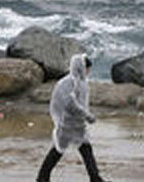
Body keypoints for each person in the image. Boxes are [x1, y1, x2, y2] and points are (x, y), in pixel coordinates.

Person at [36, 54, 108, 182]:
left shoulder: (81, 83)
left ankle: (94, 178)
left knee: (79, 150)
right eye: (87, 69)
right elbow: (71, 103)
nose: (88, 72)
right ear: (80, 67)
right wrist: (87, 116)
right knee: (60, 151)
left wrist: (85, 116)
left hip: (76, 124)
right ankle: (43, 177)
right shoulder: (70, 83)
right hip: (68, 124)